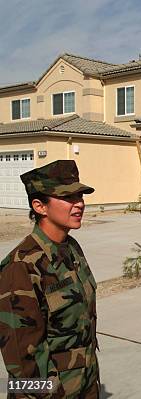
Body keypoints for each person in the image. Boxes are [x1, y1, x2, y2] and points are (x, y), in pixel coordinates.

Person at [0, 160, 100, 398]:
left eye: (80, 196)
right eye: (68, 198)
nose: (79, 204)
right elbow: (21, 361)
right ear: (39, 206)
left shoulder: (71, 248)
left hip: (84, 384)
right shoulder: (20, 267)